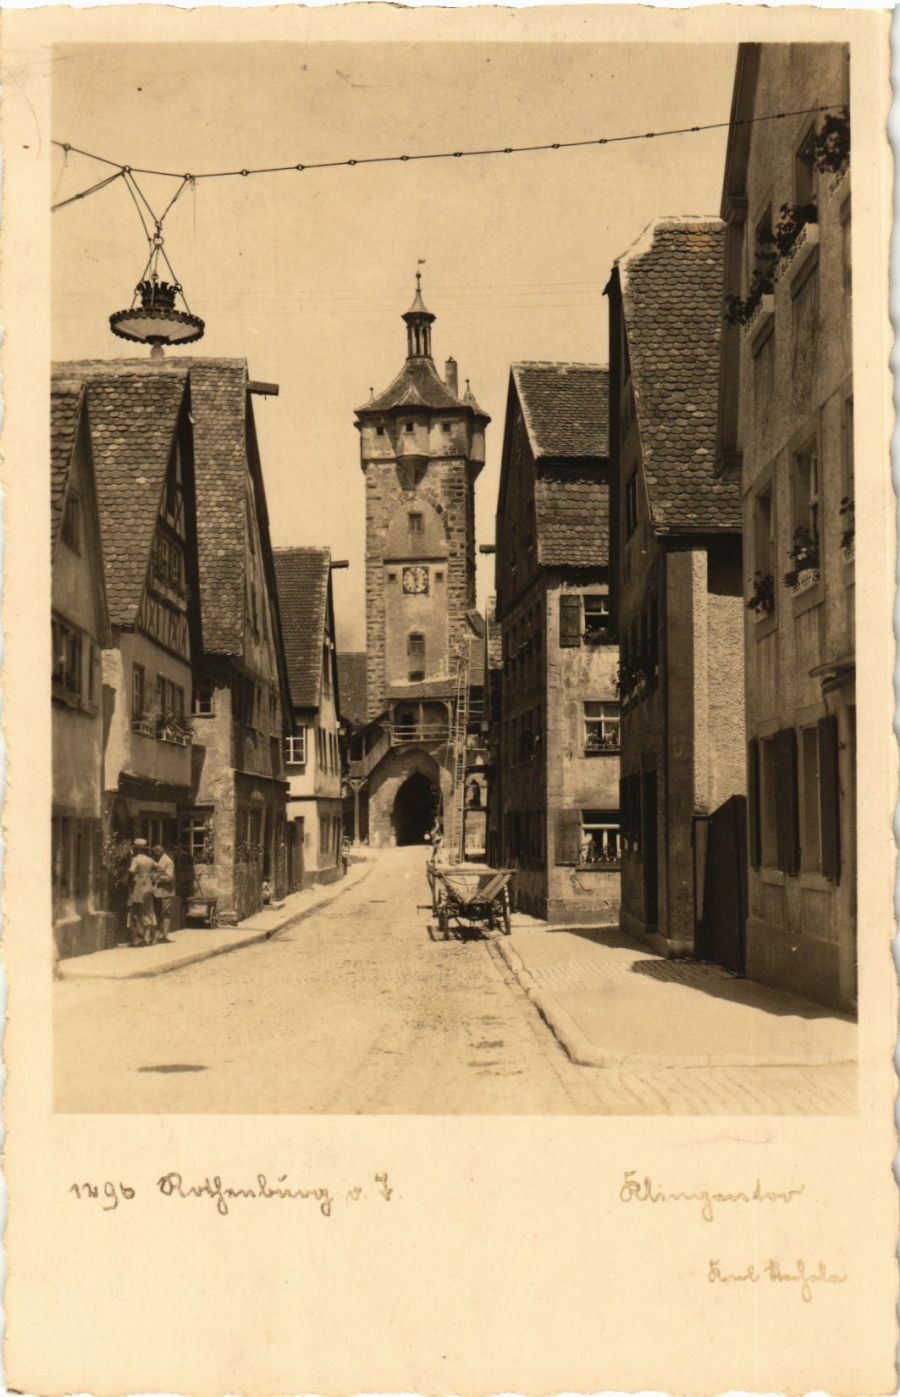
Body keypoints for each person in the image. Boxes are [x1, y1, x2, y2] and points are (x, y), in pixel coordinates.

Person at [127, 839, 157, 947]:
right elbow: (159, 869)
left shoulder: (136, 860)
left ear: (137, 849)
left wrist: (134, 878)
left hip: (139, 888)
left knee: (138, 913)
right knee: (148, 913)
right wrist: (152, 878)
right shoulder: (150, 860)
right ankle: (147, 938)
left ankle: (139, 939)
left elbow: (131, 871)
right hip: (149, 888)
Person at [151, 843, 175, 943]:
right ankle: (157, 936)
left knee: (165, 913)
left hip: (166, 892)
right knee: (157, 913)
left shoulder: (168, 862)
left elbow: (169, 877)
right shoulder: (159, 860)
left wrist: (156, 878)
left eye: (155, 854)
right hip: (157, 892)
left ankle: (164, 936)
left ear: (159, 852)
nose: (154, 856)